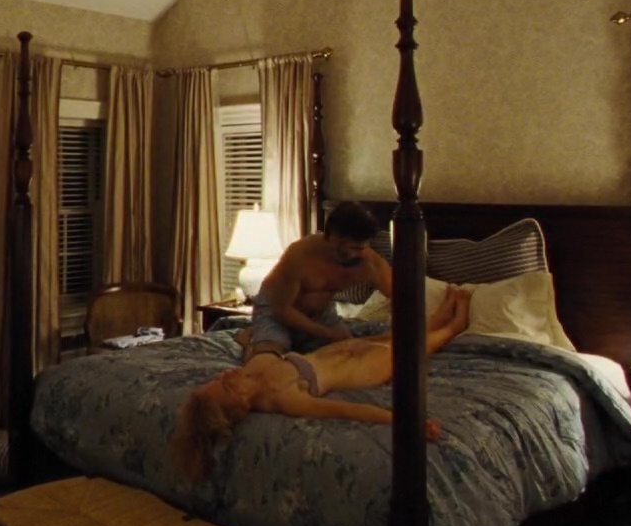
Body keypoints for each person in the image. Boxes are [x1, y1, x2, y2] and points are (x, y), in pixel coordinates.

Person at [170, 284, 471, 481]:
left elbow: (260, 346)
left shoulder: (253, 370)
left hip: (337, 351)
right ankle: (455, 324)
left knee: (391, 336)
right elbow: (348, 411)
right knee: (411, 349)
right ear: (242, 404)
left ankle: (439, 317)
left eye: (219, 377)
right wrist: (407, 423)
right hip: (361, 370)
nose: (226, 375)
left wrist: (247, 338)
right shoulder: (283, 398)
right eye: (227, 385)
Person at [240, 200, 393, 361]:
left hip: (322, 314)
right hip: (276, 309)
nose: (361, 253)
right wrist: (329, 333)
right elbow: (282, 310)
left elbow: (397, 296)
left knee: (346, 356)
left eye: (363, 247)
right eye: (354, 248)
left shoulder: (369, 262)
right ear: (334, 238)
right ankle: (248, 341)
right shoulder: (300, 254)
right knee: (268, 359)